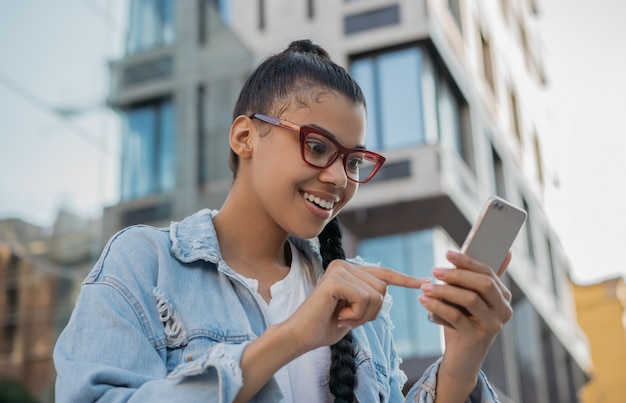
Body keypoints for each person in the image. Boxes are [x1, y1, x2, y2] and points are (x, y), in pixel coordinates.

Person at [54, 39, 513, 402]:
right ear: (245, 136)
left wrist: (461, 360)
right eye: (316, 146)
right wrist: (291, 337)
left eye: (353, 162)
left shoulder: (361, 303)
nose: (338, 178)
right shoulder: (144, 264)